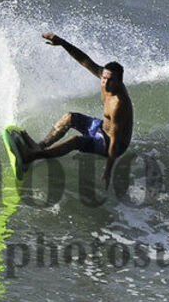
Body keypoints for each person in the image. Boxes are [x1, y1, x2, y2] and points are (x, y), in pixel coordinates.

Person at [17, 32, 133, 190]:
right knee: (69, 117)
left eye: (110, 80)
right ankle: (40, 146)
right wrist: (62, 43)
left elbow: (114, 139)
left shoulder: (119, 104)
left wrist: (108, 170)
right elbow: (85, 60)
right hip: (101, 128)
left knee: (75, 141)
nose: (105, 83)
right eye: (104, 78)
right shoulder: (104, 78)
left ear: (119, 81)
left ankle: (31, 156)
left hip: (112, 144)